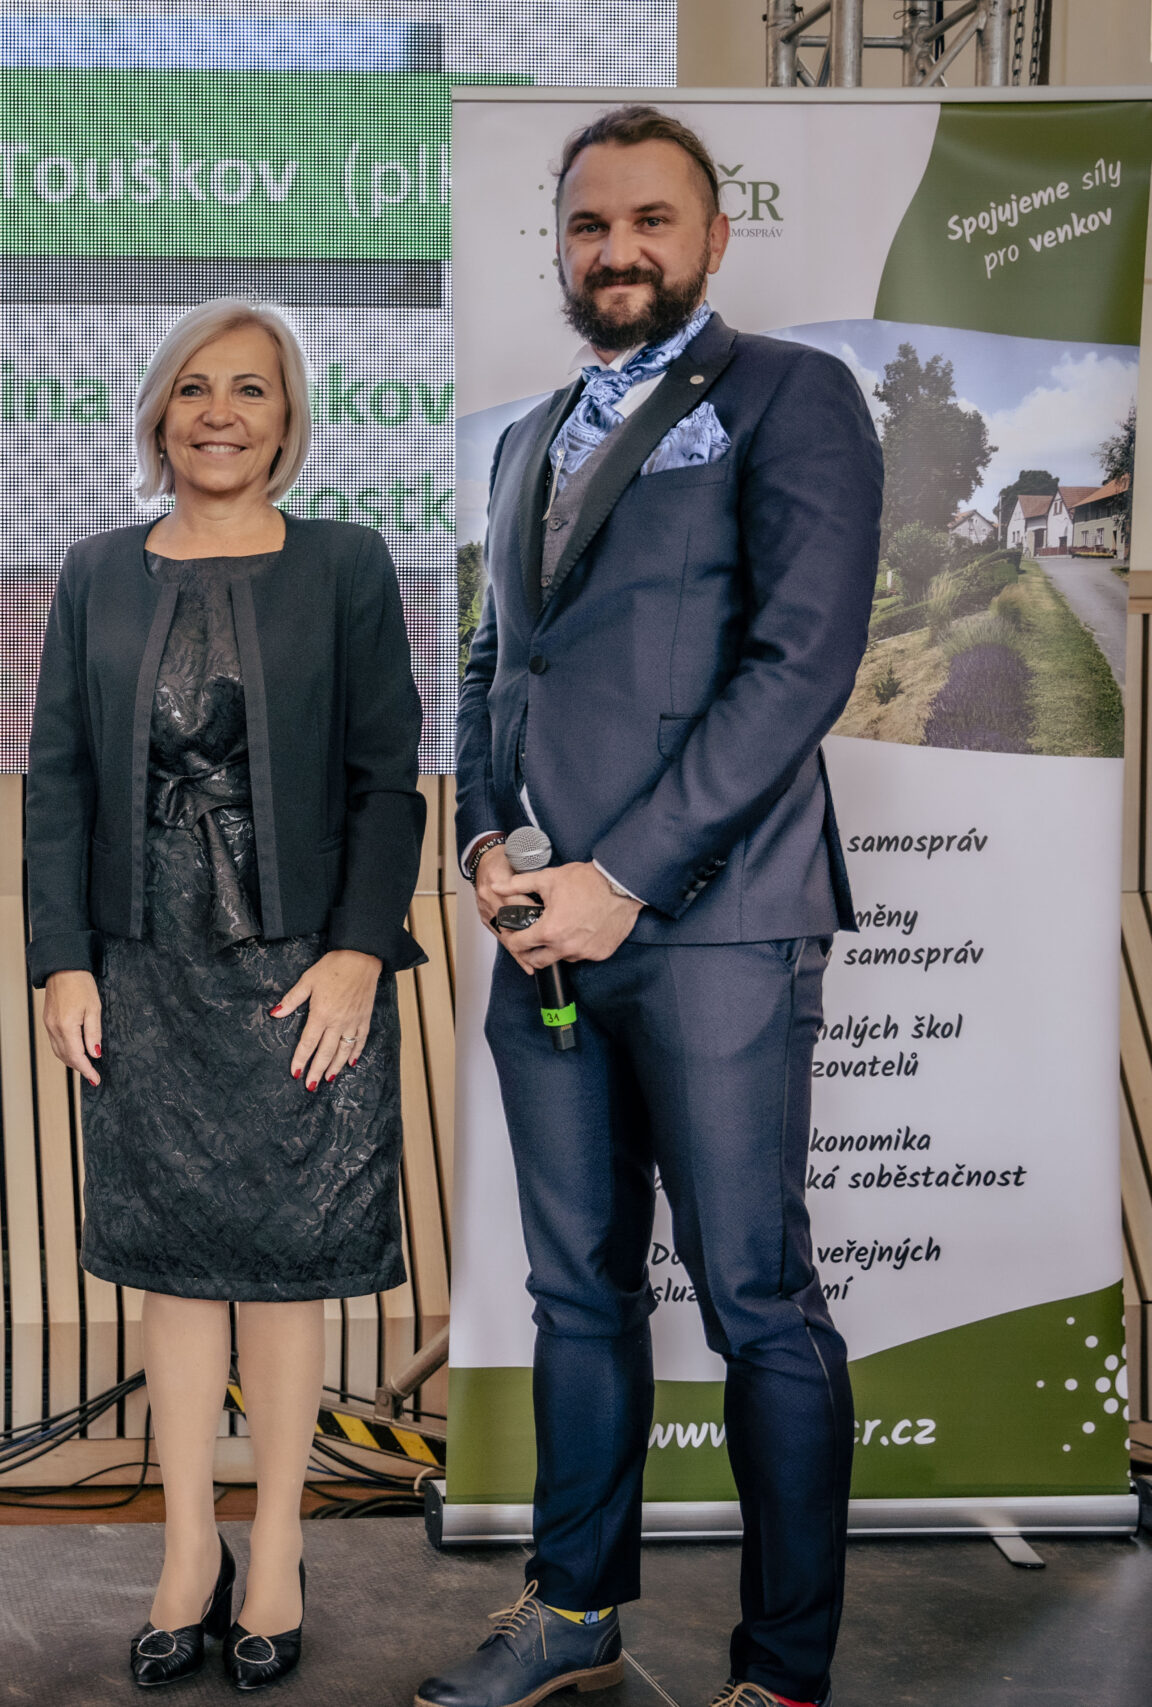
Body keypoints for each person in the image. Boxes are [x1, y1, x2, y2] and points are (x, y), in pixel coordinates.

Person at [428, 106, 880, 1707]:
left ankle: (784, 1672)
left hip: (718, 925)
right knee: (575, 1291)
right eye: (588, 224)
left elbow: (801, 664)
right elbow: (496, 662)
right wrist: (483, 844)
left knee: (758, 1300)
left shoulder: (793, 397)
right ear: (559, 246)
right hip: (541, 932)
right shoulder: (527, 434)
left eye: (649, 220)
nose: (615, 248)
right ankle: (573, 1611)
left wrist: (624, 878)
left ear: (712, 238)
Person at [26, 298, 426, 1692]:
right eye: (194, 388)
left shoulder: (348, 563)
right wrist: (62, 959)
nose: (219, 414)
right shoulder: (94, 571)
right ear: (158, 413)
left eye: (250, 389)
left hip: (304, 966)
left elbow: (387, 778)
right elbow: (59, 783)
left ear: (287, 416)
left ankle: (277, 1549)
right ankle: (189, 1549)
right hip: (144, 962)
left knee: (288, 1262)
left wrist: (359, 952)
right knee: (176, 1262)